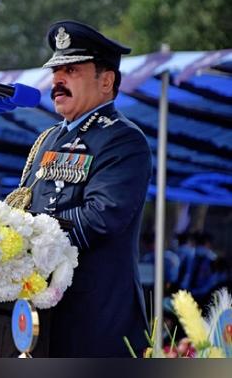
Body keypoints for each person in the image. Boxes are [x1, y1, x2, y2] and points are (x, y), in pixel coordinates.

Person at [8, 20, 152, 357]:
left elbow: (101, 217)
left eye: (71, 70)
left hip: (96, 321)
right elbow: (24, 204)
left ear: (106, 80)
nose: (57, 80)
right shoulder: (48, 139)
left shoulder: (123, 140)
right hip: (44, 320)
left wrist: (26, 234)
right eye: (56, 71)